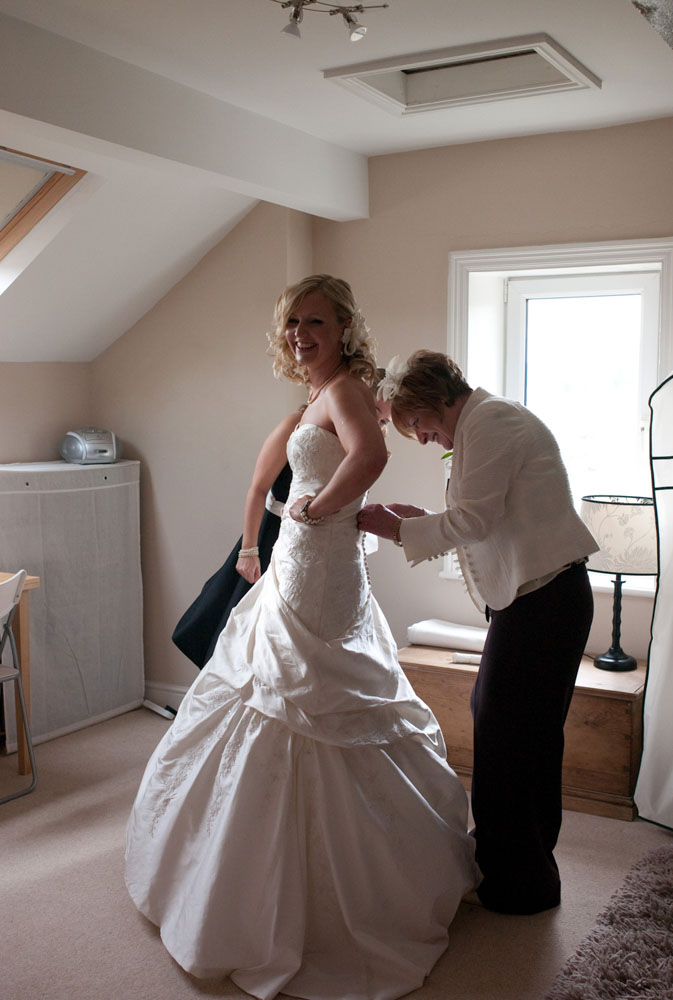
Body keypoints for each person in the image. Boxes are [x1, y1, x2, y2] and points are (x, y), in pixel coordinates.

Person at [125, 281, 478, 1000]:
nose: (299, 333)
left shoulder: (346, 389)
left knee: (304, 698)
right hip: (298, 562)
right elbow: (295, 477)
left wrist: (319, 505)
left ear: (344, 327)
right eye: (291, 322)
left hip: (316, 572)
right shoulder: (318, 397)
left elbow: (370, 455)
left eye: (314, 321)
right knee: (266, 693)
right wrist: (284, 531)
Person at [358, 349, 598, 916]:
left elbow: (472, 521)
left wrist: (399, 530)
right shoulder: (476, 427)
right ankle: (524, 867)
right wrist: (416, 519)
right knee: (517, 736)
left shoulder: (492, 423)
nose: (418, 437)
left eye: (414, 422)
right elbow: (480, 519)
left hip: (547, 603)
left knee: (510, 741)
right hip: (533, 604)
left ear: (431, 400)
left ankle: (522, 883)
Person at [171, 379, 392, 670]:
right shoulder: (297, 426)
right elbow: (258, 488)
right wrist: (249, 549)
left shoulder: (364, 440)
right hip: (276, 535)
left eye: (385, 419)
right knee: (243, 631)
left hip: (325, 550)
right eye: (374, 410)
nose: (377, 421)